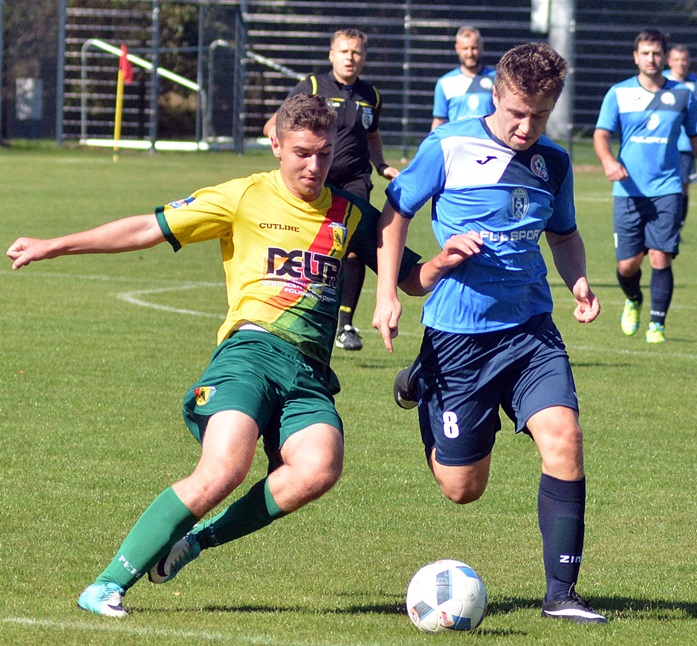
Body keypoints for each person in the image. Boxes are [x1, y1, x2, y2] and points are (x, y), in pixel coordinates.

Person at [7, 94, 431, 617]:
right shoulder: (243, 196)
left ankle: (195, 543)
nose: (314, 165)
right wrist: (54, 244)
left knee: (319, 468)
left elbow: (411, 276)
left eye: (323, 153)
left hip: (310, 372)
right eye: (302, 153)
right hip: (250, 352)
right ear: (275, 145)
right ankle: (106, 585)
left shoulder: (349, 211)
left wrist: (455, 262)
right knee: (225, 468)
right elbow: (147, 227)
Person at [372, 42, 608, 624]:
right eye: (516, 114)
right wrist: (386, 296)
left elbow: (563, 234)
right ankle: (423, 382)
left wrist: (579, 282)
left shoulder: (554, 162)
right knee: (463, 488)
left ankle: (562, 595)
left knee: (565, 439)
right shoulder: (447, 146)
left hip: (530, 332)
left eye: (540, 116)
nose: (526, 128)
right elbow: (394, 214)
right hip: (458, 338)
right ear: (495, 96)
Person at [263, 28, 400, 353]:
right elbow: (275, 123)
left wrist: (381, 165)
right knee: (310, 243)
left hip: (355, 179)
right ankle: (292, 307)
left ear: (363, 57)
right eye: (343, 51)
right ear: (331, 55)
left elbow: (372, 136)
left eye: (356, 52)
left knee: (352, 246)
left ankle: (346, 325)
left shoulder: (371, 95)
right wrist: (280, 144)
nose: (350, 58)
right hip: (316, 179)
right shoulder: (311, 87)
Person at [594, 29, 697, 344]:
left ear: (664, 58)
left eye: (656, 53)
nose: (651, 59)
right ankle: (634, 299)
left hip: (667, 188)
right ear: (635, 57)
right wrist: (608, 162)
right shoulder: (618, 93)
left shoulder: (682, 95)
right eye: (645, 53)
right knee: (628, 265)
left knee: (660, 257)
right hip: (628, 191)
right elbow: (601, 135)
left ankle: (657, 325)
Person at [665, 43, 697, 221]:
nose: (680, 63)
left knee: (682, 187)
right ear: (669, 61)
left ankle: (677, 225)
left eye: (684, 60)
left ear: (689, 61)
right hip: (662, 143)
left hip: (685, 146)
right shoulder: (660, 80)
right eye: (676, 59)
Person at [431, 26, 497, 130]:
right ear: (457, 49)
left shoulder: (497, 79)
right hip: (456, 140)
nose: (470, 54)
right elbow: (439, 121)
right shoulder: (445, 82)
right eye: (465, 48)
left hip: (487, 140)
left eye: (474, 48)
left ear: (481, 47)